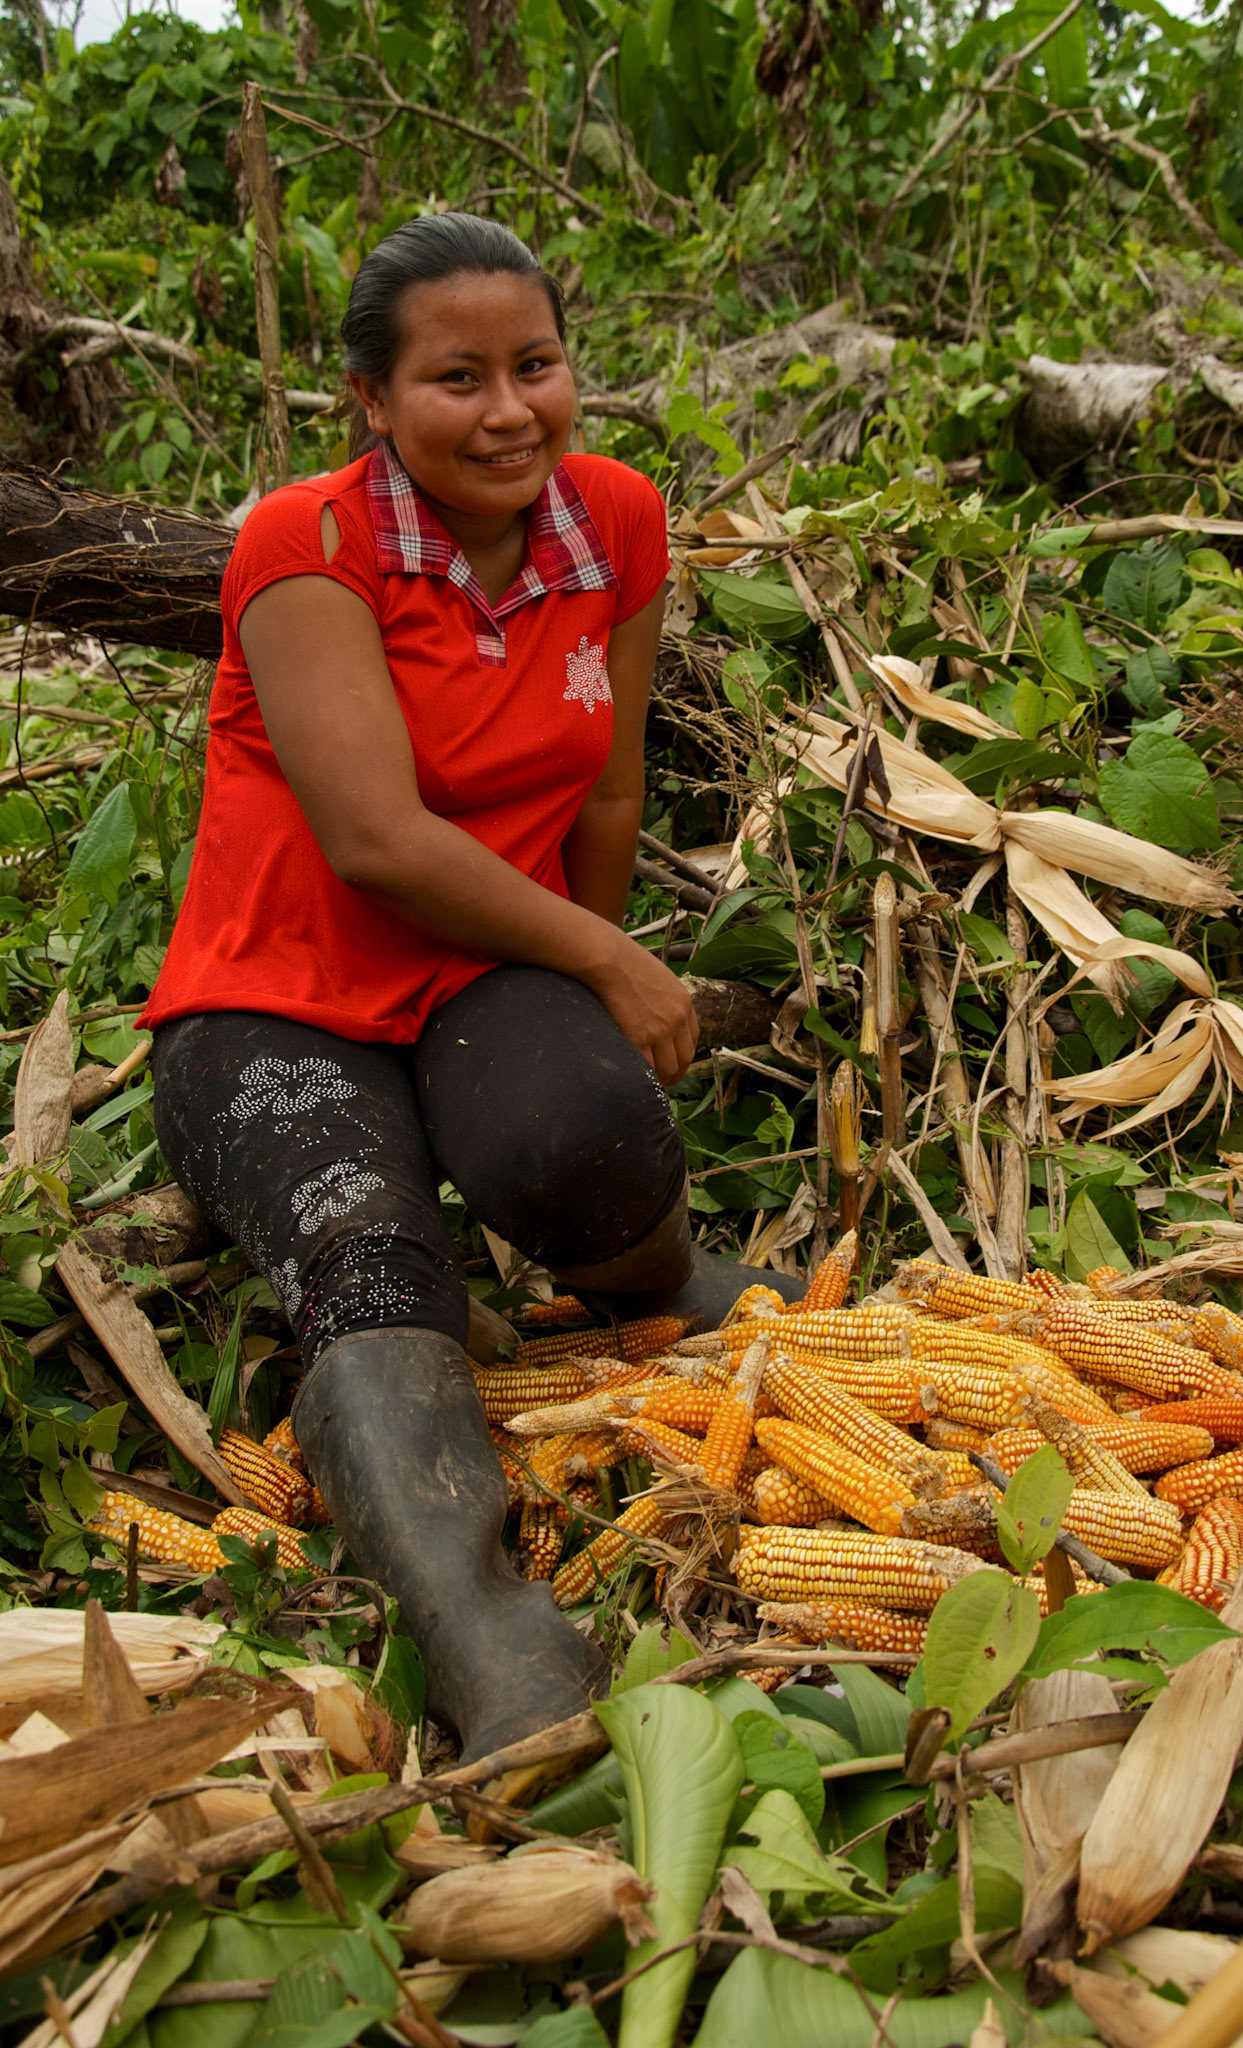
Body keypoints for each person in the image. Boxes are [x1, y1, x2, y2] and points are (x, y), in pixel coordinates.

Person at [139, 213, 802, 1759]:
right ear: (372, 399)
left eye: (536, 365)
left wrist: (580, 1008)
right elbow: (374, 839)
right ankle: (489, 1648)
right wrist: (612, 959)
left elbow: (610, 789)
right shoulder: (306, 545)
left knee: (584, 1136)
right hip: (274, 994)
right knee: (372, 1260)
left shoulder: (615, 519)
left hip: (482, 969)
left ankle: (650, 1284)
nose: (509, 411)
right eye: (457, 379)